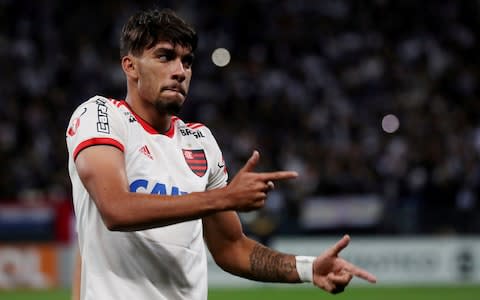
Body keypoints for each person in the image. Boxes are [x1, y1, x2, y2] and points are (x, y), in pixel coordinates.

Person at [66, 8, 376, 300]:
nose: (179, 71)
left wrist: (307, 268)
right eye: (164, 57)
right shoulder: (101, 116)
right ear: (130, 66)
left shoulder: (200, 142)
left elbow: (232, 248)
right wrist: (225, 198)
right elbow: (116, 209)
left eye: (187, 62)